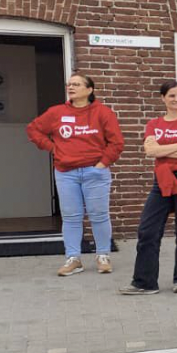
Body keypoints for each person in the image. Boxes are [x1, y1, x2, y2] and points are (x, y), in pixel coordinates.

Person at [26, 73, 124, 276]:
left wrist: (102, 163)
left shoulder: (103, 113)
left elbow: (116, 142)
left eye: (77, 84)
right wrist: (52, 147)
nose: (71, 87)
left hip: (95, 172)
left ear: (89, 90)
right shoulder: (57, 112)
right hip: (66, 172)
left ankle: (103, 255)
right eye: (69, 84)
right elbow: (33, 129)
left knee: (99, 215)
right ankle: (73, 259)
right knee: (71, 217)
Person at [119, 81, 177, 296]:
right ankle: (145, 282)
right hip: (161, 180)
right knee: (147, 230)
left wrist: (163, 150)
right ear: (163, 98)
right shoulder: (154, 124)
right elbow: (150, 151)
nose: (176, 99)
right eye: (171, 96)